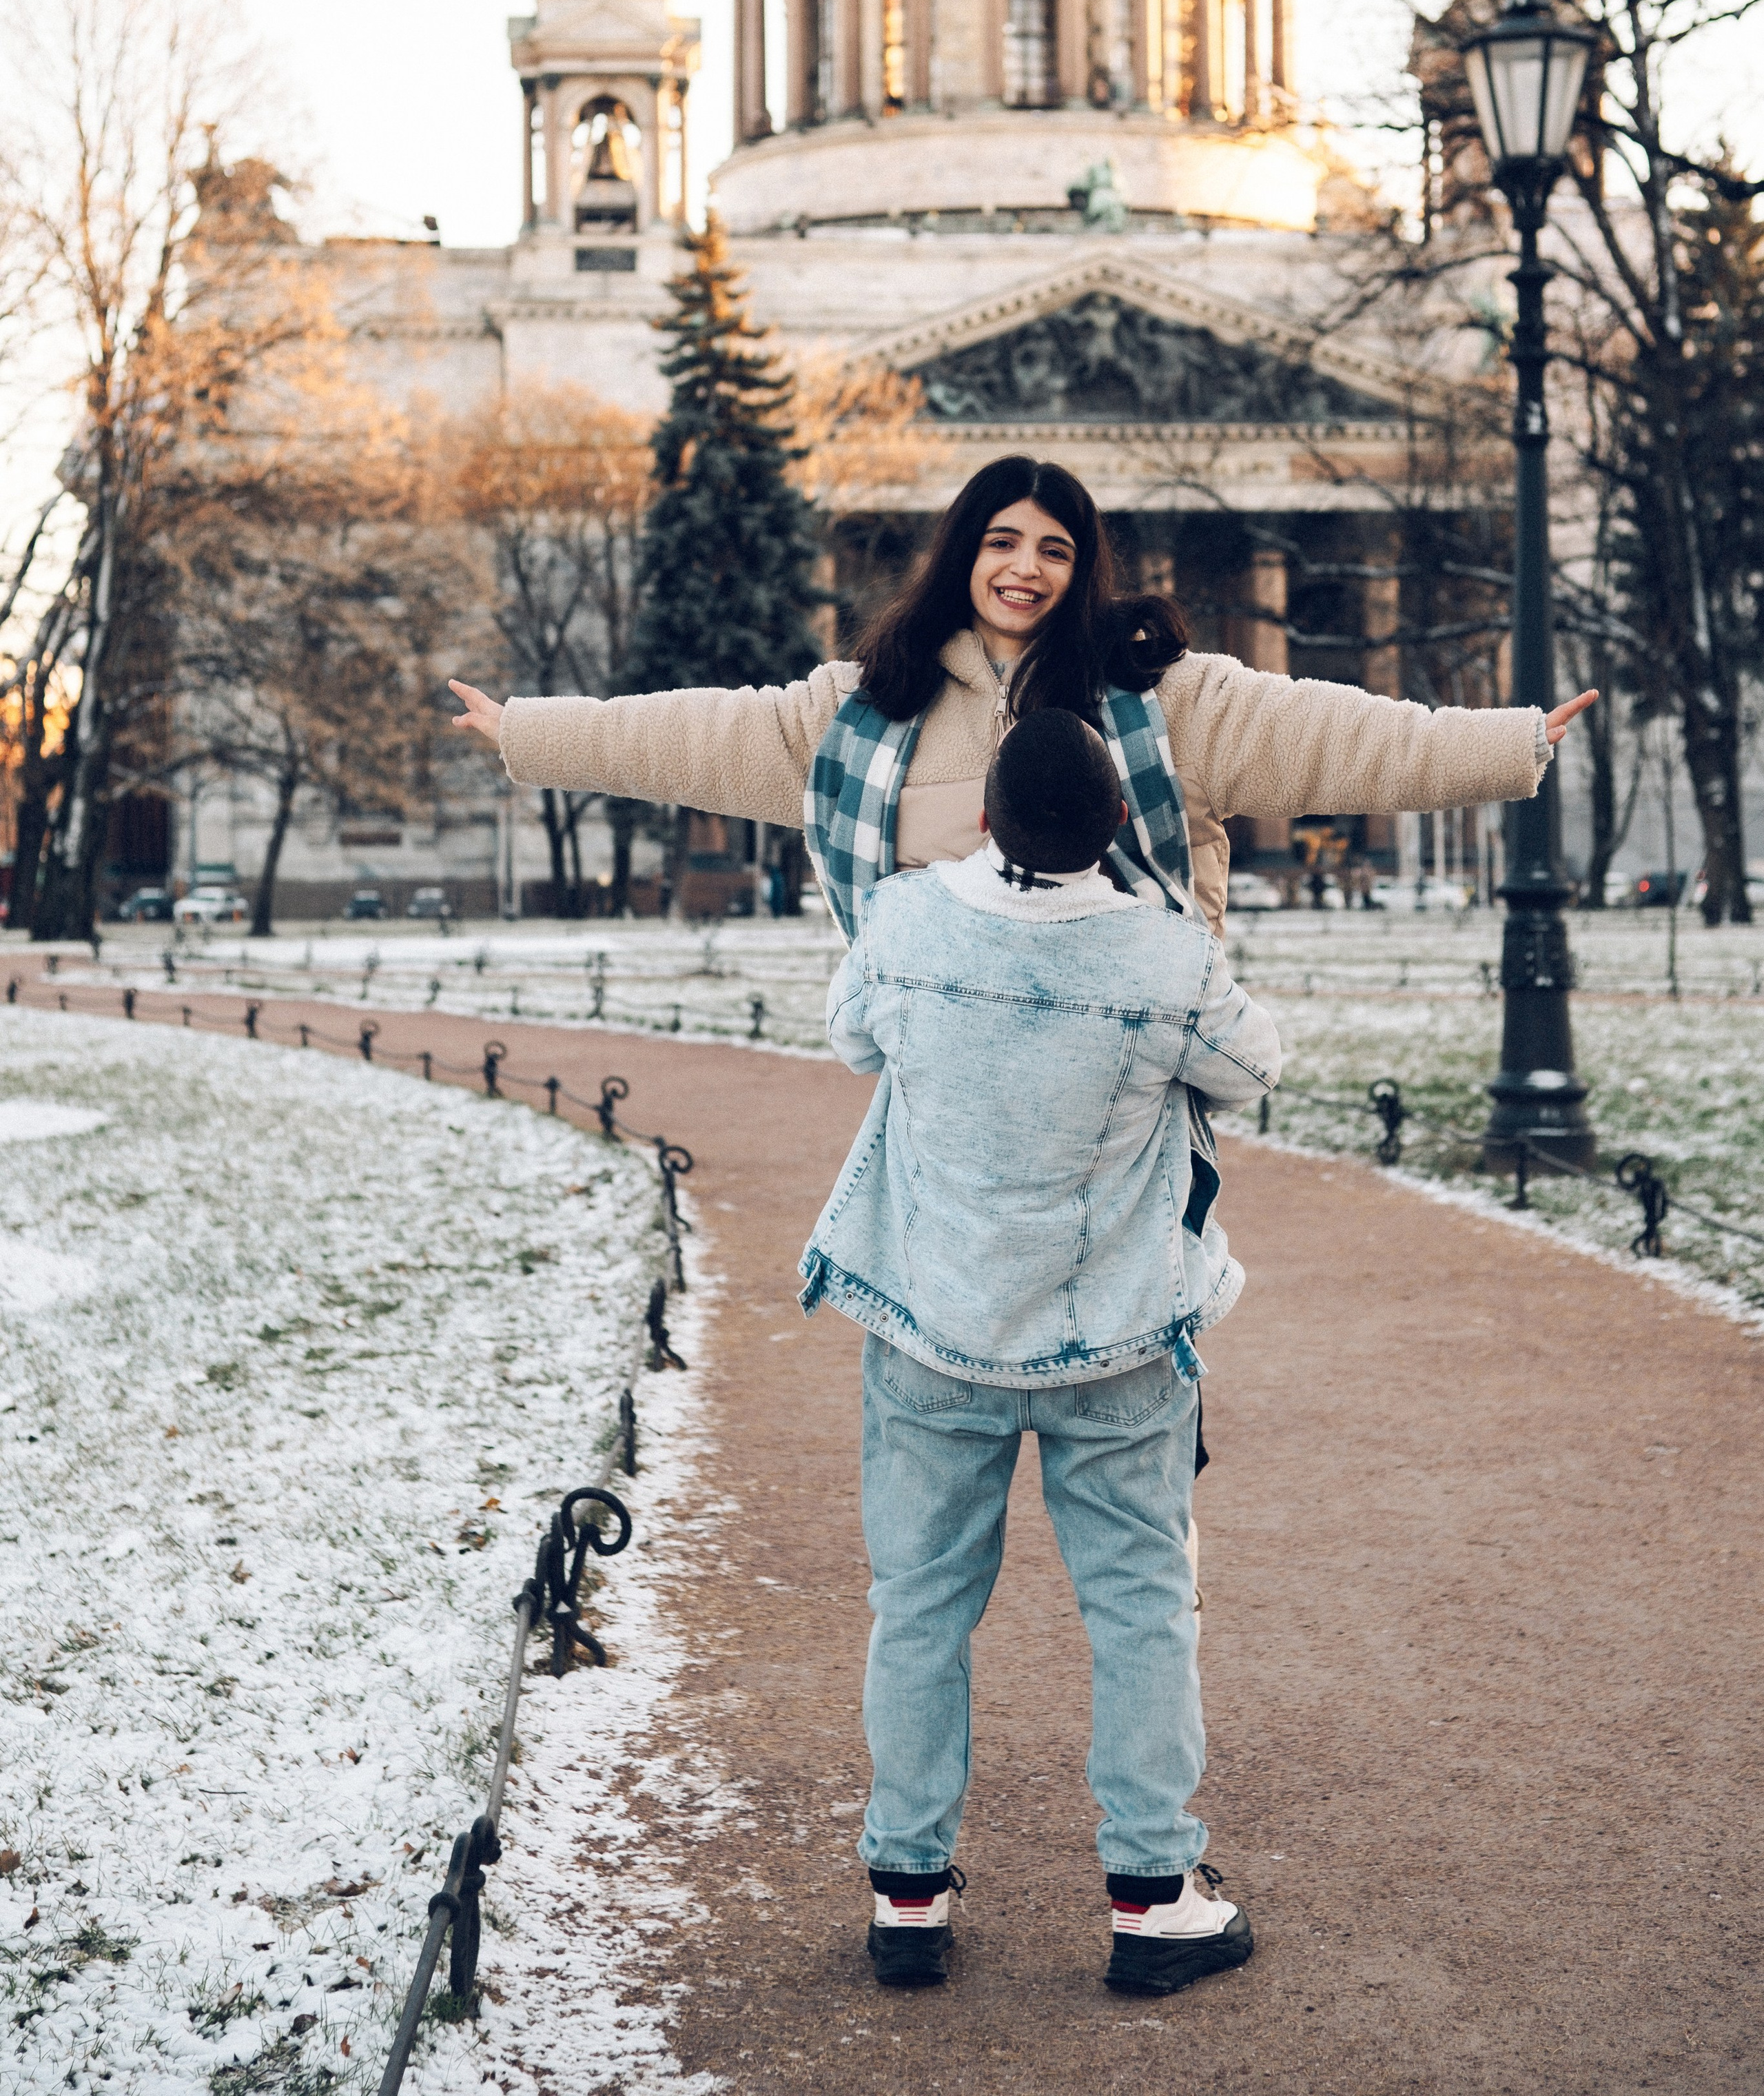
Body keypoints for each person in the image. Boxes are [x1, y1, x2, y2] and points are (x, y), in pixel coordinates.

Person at [808, 707, 1280, 1997]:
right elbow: (1253, 1067)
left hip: (933, 1327)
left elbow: (852, 1039)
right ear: (1118, 823)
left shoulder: (903, 922)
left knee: (919, 1606)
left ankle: (908, 1891)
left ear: (984, 819)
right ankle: (1153, 1896)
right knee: (1140, 1609)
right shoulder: (1165, 956)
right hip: (1113, 1338)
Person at [449, 454, 1597, 944]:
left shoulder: (1165, 698)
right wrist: (530, 731)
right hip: (954, 1081)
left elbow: (1339, 735)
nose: (1025, 569)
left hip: (1123, 1075)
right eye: (1002, 542)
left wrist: (1503, 744)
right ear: (964, 552)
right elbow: (700, 734)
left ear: (1082, 567)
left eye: (1055, 548)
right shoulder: (865, 710)